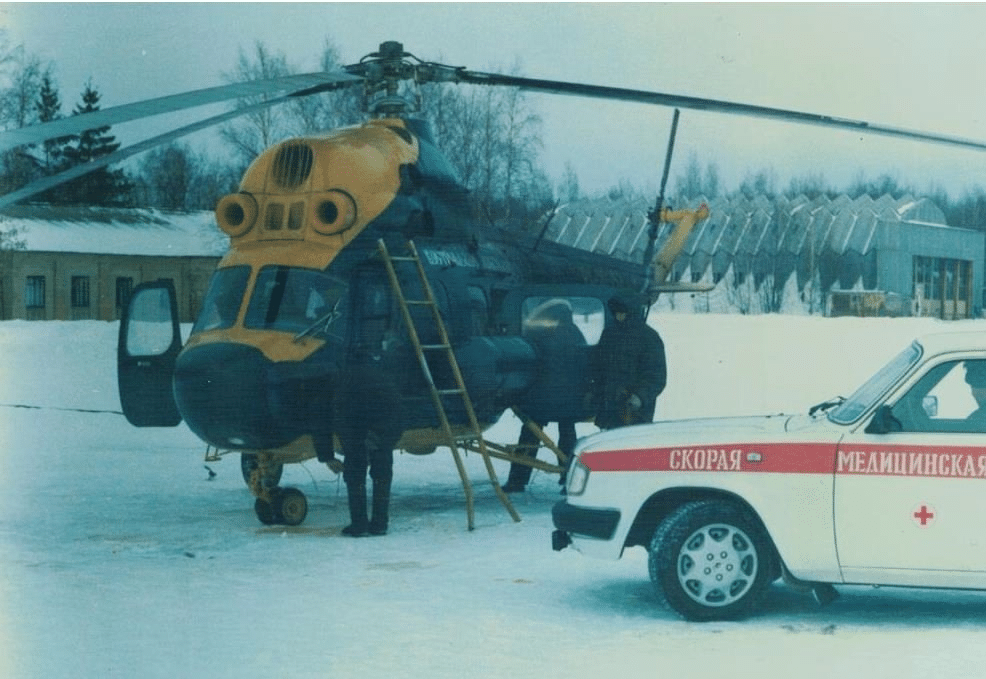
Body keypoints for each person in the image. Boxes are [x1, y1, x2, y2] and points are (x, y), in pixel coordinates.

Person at [502, 299, 588, 493]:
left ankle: (518, 480)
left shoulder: (539, 333)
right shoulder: (575, 333)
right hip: (567, 397)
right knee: (566, 437)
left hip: (540, 395)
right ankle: (569, 479)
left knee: (529, 436)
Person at [589, 292, 667, 430]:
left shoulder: (649, 338)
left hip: (635, 412)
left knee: (631, 445)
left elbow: (656, 376)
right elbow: (598, 367)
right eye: (616, 312)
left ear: (632, 311)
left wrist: (639, 397)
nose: (619, 315)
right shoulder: (609, 334)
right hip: (609, 409)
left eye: (622, 312)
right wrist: (593, 391)